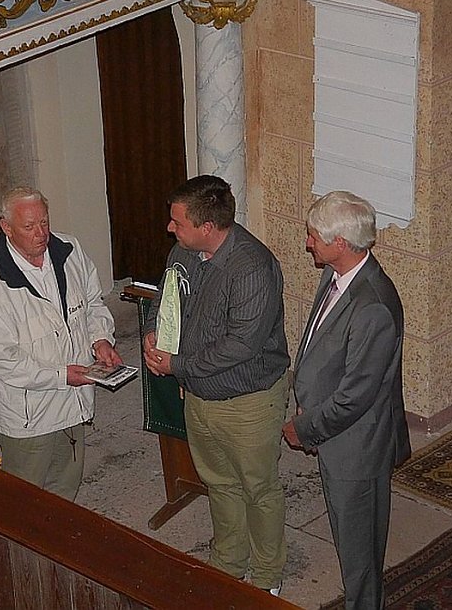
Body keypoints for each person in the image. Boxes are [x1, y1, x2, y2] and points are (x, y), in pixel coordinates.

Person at [143, 175, 290, 595]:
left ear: (207, 227)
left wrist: (177, 364)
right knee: (219, 482)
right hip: (199, 393)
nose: (170, 228)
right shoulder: (183, 252)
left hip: (247, 400)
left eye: (177, 222)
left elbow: (241, 345)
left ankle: (266, 576)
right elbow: (165, 296)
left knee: (258, 487)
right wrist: (155, 331)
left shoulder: (252, 267)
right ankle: (229, 560)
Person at [282, 190, 411, 610]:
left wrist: (303, 428)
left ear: (340, 243)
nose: (307, 243)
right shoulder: (337, 275)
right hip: (338, 436)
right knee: (350, 537)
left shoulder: (373, 305)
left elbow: (356, 397)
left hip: (357, 447)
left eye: (314, 236)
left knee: (360, 553)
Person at [0, 186, 122, 501]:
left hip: (74, 402)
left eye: (44, 222)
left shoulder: (69, 250)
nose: (41, 234)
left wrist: (100, 339)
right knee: (25, 499)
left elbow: (93, 302)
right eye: (29, 227)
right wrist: (62, 376)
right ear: (6, 227)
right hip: (29, 416)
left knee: (65, 489)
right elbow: (4, 361)